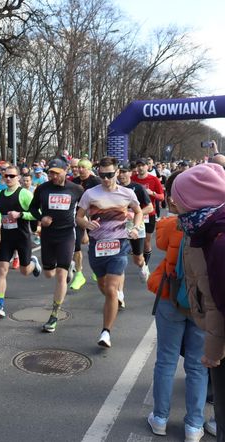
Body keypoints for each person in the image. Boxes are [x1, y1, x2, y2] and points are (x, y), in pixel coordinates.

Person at [146, 170, 208, 442]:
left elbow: (160, 243)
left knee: (166, 361)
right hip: (204, 305)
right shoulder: (214, 224)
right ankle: (194, 425)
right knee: (197, 365)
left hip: (172, 297)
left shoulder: (173, 225)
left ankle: (159, 418)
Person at [173, 163, 225, 441]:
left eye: (178, 199)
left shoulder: (217, 239)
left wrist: (213, 353)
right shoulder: (204, 227)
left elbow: (219, 304)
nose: (174, 204)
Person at [76, 157, 143, 347]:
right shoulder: (90, 194)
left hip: (119, 245)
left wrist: (136, 228)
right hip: (97, 246)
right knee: (104, 286)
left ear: (117, 173)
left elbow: (138, 212)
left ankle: (106, 332)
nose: (106, 179)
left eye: (110, 175)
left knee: (112, 290)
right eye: (103, 175)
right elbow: (78, 217)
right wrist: (86, 223)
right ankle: (113, 301)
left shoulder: (127, 193)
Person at [29, 158, 84, 333]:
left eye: (56, 172)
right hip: (47, 235)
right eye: (50, 172)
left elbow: (84, 211)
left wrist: (86, 232)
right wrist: (40, 218)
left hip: (67, 234)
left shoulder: (76, 189)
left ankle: (54, 315)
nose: (52, 175)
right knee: (49, 273)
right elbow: (32, 209)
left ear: (65, 170)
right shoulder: (43, 188)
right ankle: (68, 269)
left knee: (61, 275)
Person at [0, 166, 41, 317]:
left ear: (18, 177)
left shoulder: (24, 194)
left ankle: (33, 264)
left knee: (24, 270)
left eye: (12, 176)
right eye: (6, 176)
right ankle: (0, 304)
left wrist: (20, 214)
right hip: (6, 237)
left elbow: (37, 214)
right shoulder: (0, 194)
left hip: (21, 236)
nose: (8, 178)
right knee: (1, 269)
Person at [117, 163, 153, 283]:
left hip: (135, 225)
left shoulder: (138, 188)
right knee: (116, 256)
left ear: (131, 173)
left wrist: (136, 214)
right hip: (118, 226)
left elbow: (150, 208)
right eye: (120, 171)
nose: (121, 174)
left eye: (124, 171)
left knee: (137, 258)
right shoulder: (114, 188)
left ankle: (143, 266)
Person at [69, 159, 101, 291]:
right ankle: (79, 273)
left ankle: (96, 268)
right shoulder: (73, 182)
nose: (79, 169)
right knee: (76, 245)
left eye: (82, 167)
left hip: (95, 216)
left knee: (94, 244)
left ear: (89, 169)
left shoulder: (96, 182)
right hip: (78, 217)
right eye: (77, 167)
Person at [132, 158, 165, 267]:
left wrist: (153, 193)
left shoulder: (154, 179)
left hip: (148, 214)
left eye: (143, 165)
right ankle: (139, 257)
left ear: (148, 167)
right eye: (138, 165)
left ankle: (144, 265)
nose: (140, 167)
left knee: (146, 241)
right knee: (133, 239)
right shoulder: (132, 179)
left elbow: (162, 197)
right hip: (133, 214)